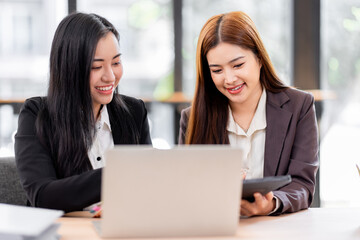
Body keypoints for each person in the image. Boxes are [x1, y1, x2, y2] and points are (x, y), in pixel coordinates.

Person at [178, 11, 319, 216]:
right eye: (217, 70)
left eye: (238, 65)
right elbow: (187, 189)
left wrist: (271, 204)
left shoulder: (299, 106)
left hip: (277, 229)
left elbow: (303, 185)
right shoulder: (193, 118)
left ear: (259, 58)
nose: (229, 79)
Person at [15, 12, 152, 213]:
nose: (110, 76)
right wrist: (120, 173)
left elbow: (148, 187)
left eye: (115, 63)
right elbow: (43, 195)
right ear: (69, 69)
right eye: (96, 66)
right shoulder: (37, 115)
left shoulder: (134, 112)